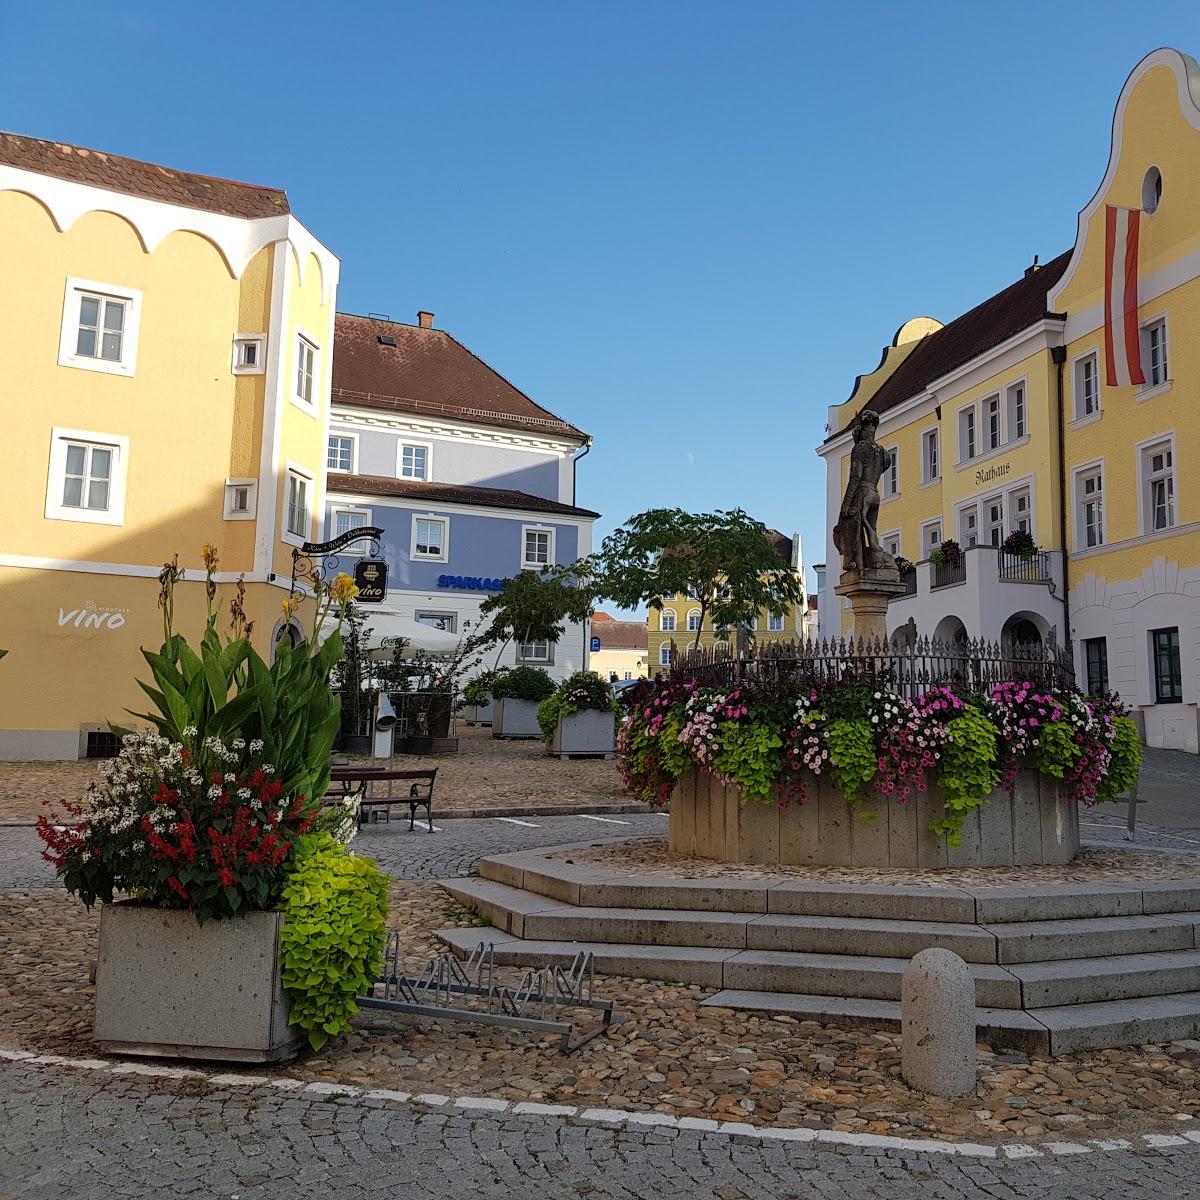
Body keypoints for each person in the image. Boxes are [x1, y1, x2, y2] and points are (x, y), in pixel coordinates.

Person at [833, 409, 896, 573]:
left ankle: (855, 562)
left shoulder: (860, 449)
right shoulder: (884, 453)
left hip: (862, 492)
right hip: (875, 494)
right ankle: (875, 560)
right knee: (871, 528)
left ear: (861, 429)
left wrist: (846, 504)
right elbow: (881, 469)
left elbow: (855, 477)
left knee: (851, 525)